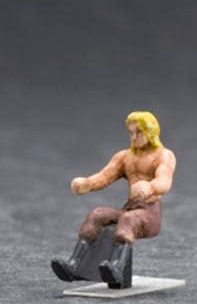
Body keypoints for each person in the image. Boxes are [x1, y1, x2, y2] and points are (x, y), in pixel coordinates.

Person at [51, 111, 177, 288]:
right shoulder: (124, 157)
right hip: (129, 208)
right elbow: (104, 176)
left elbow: (164, 181)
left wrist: (150, 187)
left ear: (151, 132)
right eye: (131, 133)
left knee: (128, 219)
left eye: (139, 132)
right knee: (97, 214)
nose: (134, 137)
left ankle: (116, 267)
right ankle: (74, 265)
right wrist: (87, 183)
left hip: (149, 213)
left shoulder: (163, 155)